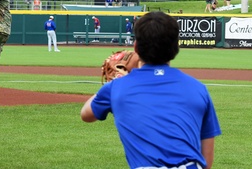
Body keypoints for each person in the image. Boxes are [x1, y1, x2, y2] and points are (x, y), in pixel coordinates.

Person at [81, 11, 221, 169]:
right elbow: (206, 162)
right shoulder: (198, 89)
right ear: (176, 47)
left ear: (136, 48)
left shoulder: (116, 88)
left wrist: (115, 81)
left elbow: (86, 114)